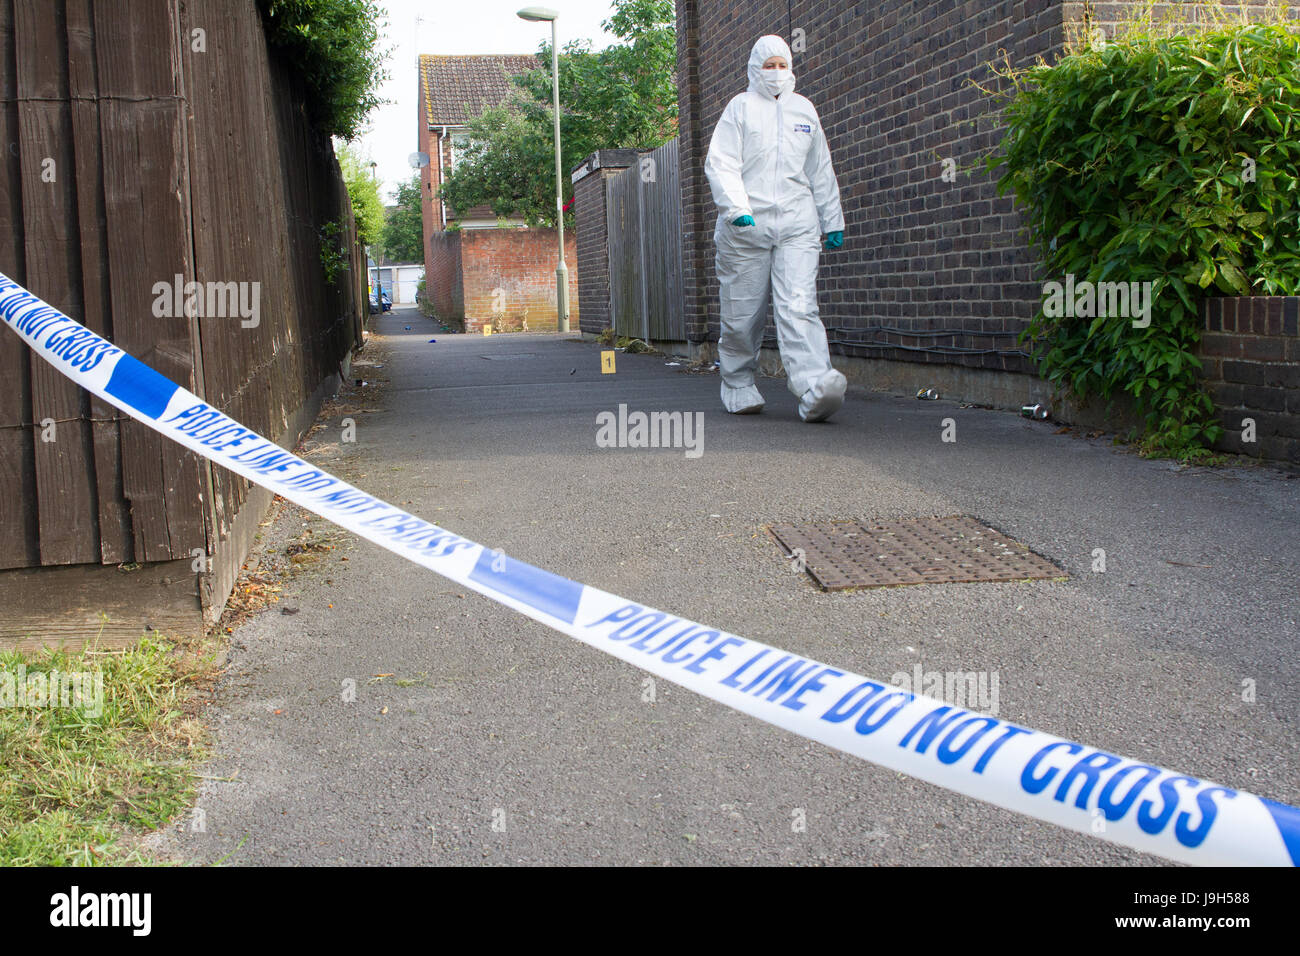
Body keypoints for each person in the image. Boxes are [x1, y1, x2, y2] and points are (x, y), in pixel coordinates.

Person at [704, 34, 847, 422]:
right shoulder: (741, 108)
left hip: (798, 224)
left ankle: (815, 386)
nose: (777, 73)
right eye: (769, 65)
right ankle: (737, 384)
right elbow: (721, 162)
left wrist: (831, 218)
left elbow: (820, 169)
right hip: (746, 227)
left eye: (783, 64)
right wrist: (736, 208)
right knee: (742, 313)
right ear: (754, 68)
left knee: (799, 306)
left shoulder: (805, 110)